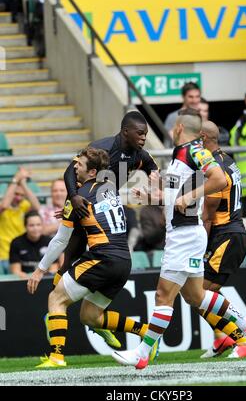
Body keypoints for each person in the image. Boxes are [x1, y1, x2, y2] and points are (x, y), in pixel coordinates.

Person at [112, 109, 246, 369]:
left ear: (179, 127)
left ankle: (142, 353)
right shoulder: (182, 154)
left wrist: (190, 196)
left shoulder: (194, 150)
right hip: (187, 234)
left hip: (184, 236)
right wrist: (150, 195)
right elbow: (175, 198)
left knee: (163, 295)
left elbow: (219, 178)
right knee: (195, 296)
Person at [48, 111, 158, 347]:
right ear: (125, 131)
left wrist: (153, 185)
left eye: (146, 134)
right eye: (140, 133)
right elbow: (70, 170)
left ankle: (62, 281)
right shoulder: (103, 147)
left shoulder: (138, 155)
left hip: (103, 204)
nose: (143, 138)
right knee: (72, 250)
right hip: (85, 198)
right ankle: (129, 329)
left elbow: (151, 165)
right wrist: (74, 198)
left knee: (62, 283)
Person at [27, 148, 132, 367]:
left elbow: (60, 240)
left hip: (101, 258)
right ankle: (147, 332)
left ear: (92, 171)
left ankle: (56, 357)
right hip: (123, 260)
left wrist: (40, 270)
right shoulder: (110, 188)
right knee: (90, 316)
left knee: (56, 299)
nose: (74, 166)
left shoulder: (79, 196)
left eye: (80, 165)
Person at [193, 121, 246, 357]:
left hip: (226, 235)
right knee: (201, 295)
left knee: (199, 294)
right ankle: (222, 337)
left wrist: (199, 246)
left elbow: (208, 215)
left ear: (204, 138)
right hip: (233, 233)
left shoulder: (214, 169)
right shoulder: (229, 160)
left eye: (197, 140)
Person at [0, 167, 40, 274]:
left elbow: (36, 207)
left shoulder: (24, 205)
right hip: (3, 256)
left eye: (22, 195)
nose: (19, 198)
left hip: (20, 255)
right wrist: (15, 179)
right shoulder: (3, 205)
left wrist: (23, 183)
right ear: (10, 191)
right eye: (16, 194)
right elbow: (4, 206)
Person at [10, 211, 58, 279]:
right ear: (25, 226)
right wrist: (29, 278)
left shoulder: (50, 242)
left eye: (38, 225)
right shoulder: (16, 243)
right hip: (24, 281)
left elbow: (53, 268)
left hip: (44, 280)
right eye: (31, 225)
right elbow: (15, 271)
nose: (35, 228)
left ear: (42, 225)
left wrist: (39, 277)